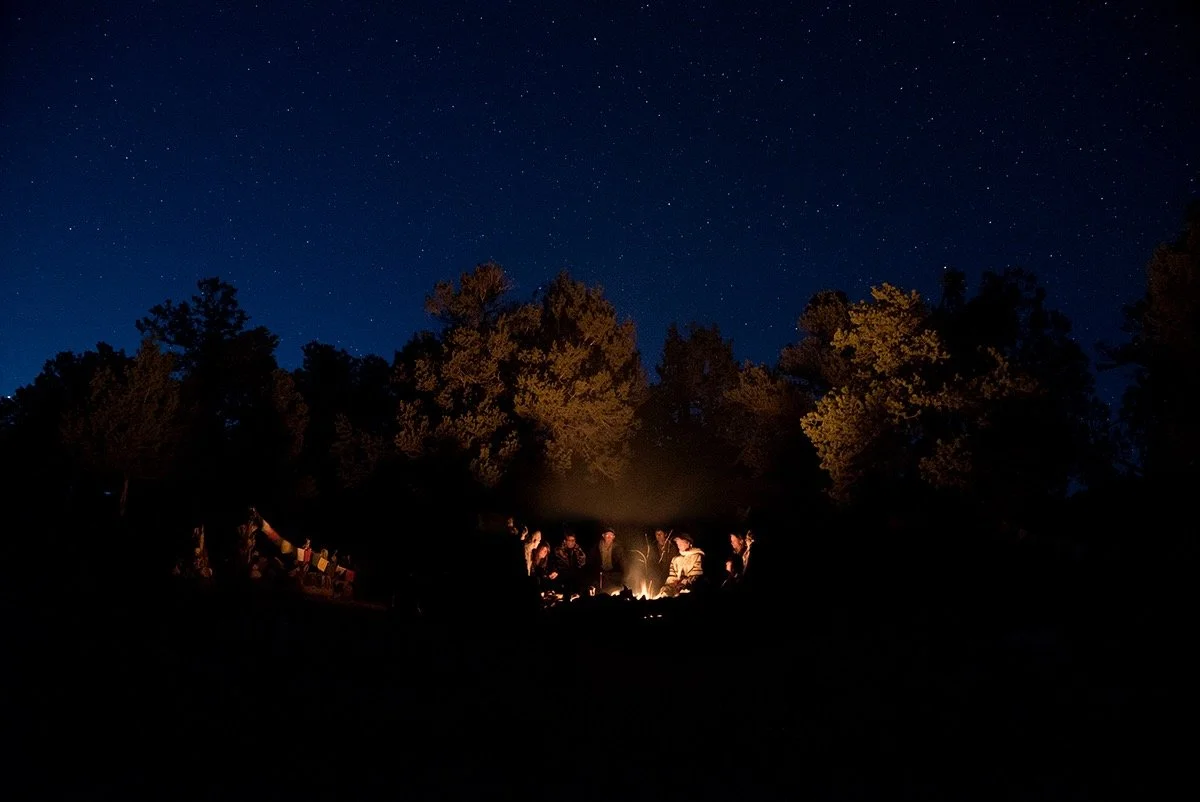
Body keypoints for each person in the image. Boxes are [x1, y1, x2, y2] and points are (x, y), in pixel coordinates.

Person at [588, 527, 627, 593]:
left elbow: (623, 563)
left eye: (611, 535)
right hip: (600, 574)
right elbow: (591, 562)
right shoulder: (596, 547)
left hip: (613, 574)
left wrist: (624, 576)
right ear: (603, 536)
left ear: (613, 537)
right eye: (607, 535)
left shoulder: (618, 549)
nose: (609, 537)